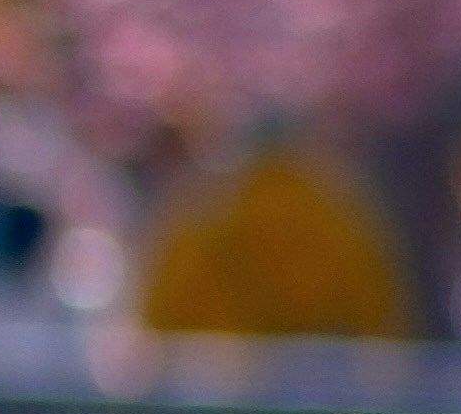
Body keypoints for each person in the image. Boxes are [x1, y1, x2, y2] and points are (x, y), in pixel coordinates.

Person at [133, 116, 419, 343]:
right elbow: (383, 316)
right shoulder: (338, 210)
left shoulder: (204, 211)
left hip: (218, 385)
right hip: (322, 387)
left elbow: (159, 321)